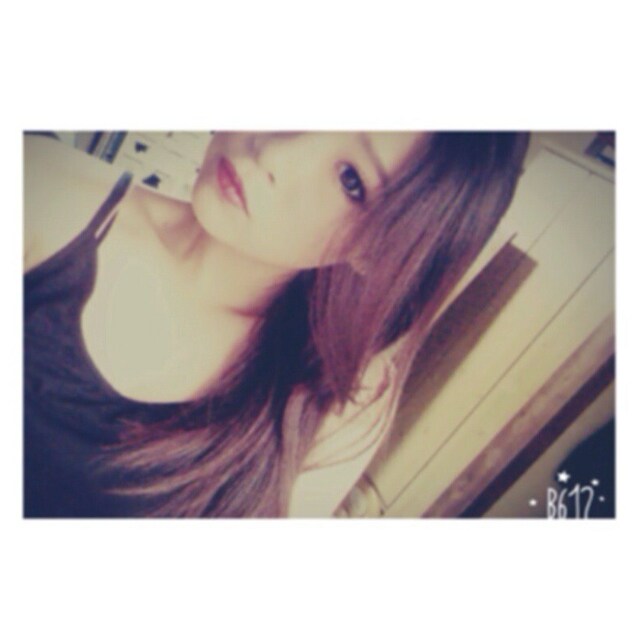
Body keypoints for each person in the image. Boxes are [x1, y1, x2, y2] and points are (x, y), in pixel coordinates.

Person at [23, 131, 530, 517]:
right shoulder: (42, 193)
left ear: (380, 249)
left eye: (350, 179)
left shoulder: (338, 407)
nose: (275, 152)